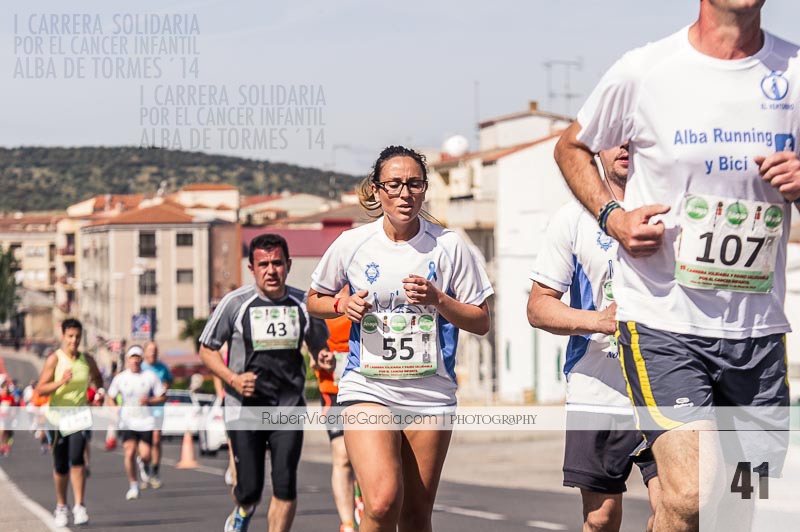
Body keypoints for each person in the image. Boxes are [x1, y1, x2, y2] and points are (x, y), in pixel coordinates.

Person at [553, 2, 800, 530]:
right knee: (691, 492)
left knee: (741, 497)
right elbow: (571, 147)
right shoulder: (646, 70)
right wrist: (613, 217)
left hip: (757, 332)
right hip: (664, 322)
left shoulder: (794, 71)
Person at [307, 145, 493, 532]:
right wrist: (341, 304)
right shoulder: (352, 243)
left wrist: (439, 300)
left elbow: (480, 321)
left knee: (415, 516)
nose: (404, 193)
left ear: (424, 189)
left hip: (430, 393)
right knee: (382, 501)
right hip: (368, 386)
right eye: (393, 185)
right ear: (377, 190)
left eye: (414, 184)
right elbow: (314, 300)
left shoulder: (449, 245)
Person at [529, 144, 661, 532]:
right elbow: (538, 307)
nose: (624, 146)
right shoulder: (573, 218)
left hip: (666, 382)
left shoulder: (671, 210)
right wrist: (600, 321)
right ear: (596, 149)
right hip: (598, 388)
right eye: (614, 137)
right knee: (601, 518)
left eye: (632, 136)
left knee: (678, 506)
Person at [199, 233, 329, 532]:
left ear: (288, 265)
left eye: (277, 263)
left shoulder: (304, 304)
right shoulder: (235, 303)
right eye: (264, 264)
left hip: (288, 407)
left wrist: (323, 357)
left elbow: (319, 347)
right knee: (250, 490)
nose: (271, 271)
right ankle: (242, 511)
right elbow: (207, 349)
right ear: (252, 268)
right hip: (245, 408)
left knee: (285, 485)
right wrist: (233, 378)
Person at [36, 318, 103, 528]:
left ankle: (80, 506)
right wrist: (61, 382)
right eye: (70, 336)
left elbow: (98, 378)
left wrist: (99, 393)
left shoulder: (87, 360)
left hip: (78, 416)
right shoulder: (55, 359)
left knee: (77, 459)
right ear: (63, 336)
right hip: (57, 418)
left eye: (77, 337)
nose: (74, 341)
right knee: (61, 464)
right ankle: (61, 506)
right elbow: (41, 389)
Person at [308, 310, 358, 532]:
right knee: (342, 454)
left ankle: (362, 495)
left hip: (369, 389)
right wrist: (319, 358)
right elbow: (311, 352)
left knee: (368, 453)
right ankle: (347, 524)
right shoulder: (320, 302)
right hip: (333, 391)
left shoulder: (368, 295)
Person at [106, 345, 166, 500]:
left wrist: (150, 400)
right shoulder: (121, 378)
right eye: (132, 358)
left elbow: (162, 396)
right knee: (129, 451)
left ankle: (143, 463)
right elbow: (110, 396)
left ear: (141, 359)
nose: (134, 361)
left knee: (145, 455)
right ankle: (133, 485)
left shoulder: (150, 376)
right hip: (127, 421)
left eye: (137, 358)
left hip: (146, 421)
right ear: (128, 360)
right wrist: (114, 409)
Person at [141, 341, 172, 488]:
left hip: (157, 408)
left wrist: (165, 386)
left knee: (156, 439)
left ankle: (154, 471)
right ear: (144, 352)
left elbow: (168, 382)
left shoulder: (162, 368)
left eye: (155, 350)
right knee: (143, 443)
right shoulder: (140, 367)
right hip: (142, 411)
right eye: (150, 350)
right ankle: (144, 468)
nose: (152, 353)